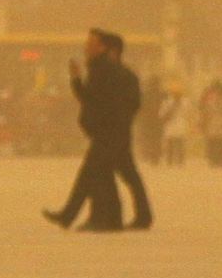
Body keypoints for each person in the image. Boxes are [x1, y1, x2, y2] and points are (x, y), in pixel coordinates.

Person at [45, 29, 151, 231]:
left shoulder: (107, 71)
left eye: (90, 43)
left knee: (95, 173)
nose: (86, 47)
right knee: (108, 174)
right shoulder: (108, 70)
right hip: (113, 132)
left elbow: (95, 101)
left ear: (106, 48)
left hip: (108, 133)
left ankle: (94, 218)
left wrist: (109, 122)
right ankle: (115, 218)